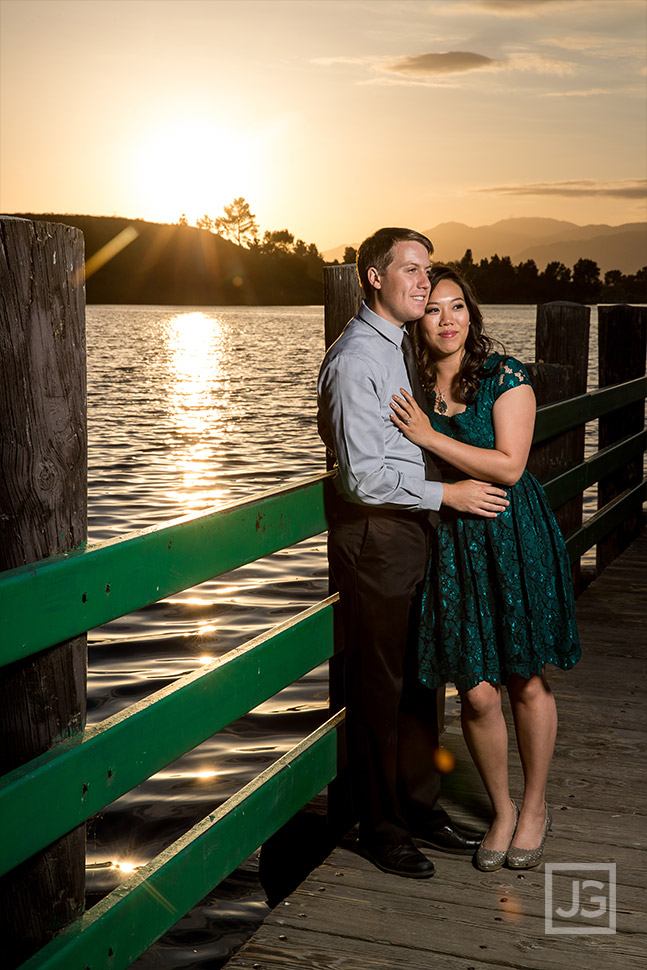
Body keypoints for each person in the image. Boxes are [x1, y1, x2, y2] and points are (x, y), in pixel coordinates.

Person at [317, 229, 510, 879]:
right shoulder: (355, 360)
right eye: (410, 269)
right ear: (373, 277)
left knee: (420, 681)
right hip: (377, 536)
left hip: (414, 529)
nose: (424, 282)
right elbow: (360, 477)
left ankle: (420, 808)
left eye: (427, 270)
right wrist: (447, 493)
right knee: (380, 688)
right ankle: (380, 827)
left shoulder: (399, 344)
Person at [390, 264, 581, 871]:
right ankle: (500, 808)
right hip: (453, 545)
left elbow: (508, 467)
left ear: (472, 314)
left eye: (457, 308)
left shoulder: (505, 375)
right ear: (417, 318)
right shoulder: (412, 380)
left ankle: (534, 808)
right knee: (474, 692)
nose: (446, 321)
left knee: (524, 677)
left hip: (512, 534)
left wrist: (427, 435)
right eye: (432, 309)